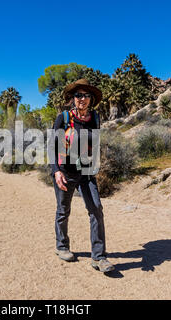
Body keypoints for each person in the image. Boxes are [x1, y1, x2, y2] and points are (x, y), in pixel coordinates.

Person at [49, 79, 114, 273]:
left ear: (91, 99)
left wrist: (94, 166)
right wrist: (56, 171)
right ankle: (62, 246)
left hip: (85, 172)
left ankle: (99, 257)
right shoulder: (63, 118)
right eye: (78, 95)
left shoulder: (94, 117)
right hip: (65, 172)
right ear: (72, 99)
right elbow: (53, 146)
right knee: (63, 210)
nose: (82, 99)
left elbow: (95, 142)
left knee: (96, 209)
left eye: (86, 95)